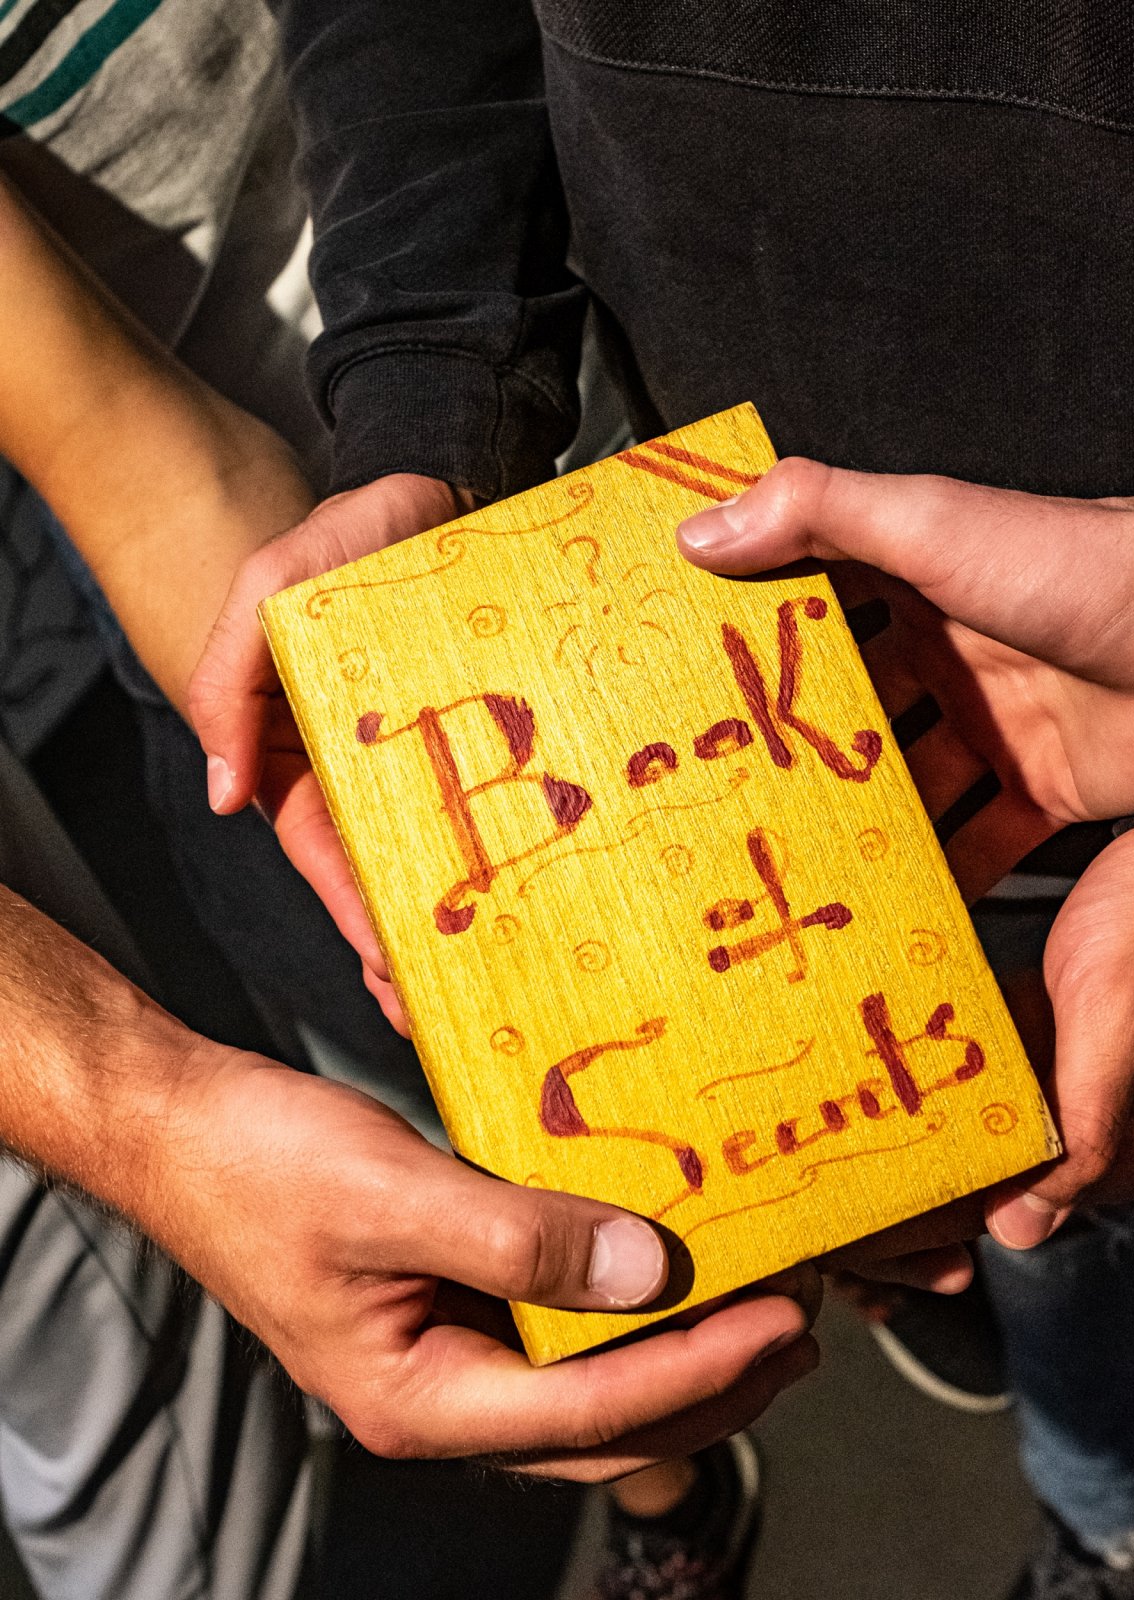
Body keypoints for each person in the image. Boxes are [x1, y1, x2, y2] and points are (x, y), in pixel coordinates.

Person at [186, 4, 1134, 1596]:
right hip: (726, 633)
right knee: (912, 1150)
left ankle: (1108, 1513)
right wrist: (431, 415)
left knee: (1102, 1190)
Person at [0, 134, 982, 1596]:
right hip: (314, 567)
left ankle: (867, 1181)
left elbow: (126, 451)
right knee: (461, 1111)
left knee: (816, 933)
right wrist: (140, 1113)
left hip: (484, 329)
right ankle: (687, 1447)